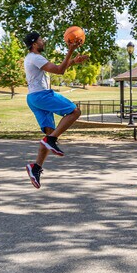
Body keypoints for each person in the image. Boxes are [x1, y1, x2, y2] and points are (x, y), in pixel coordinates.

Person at [23, 32, 88, 188]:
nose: (43, 41)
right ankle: (51, 140)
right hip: (41, 96)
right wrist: (70, 51)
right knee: (75, 112)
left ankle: (36, 167)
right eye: (40, 40)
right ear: (34, 44)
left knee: (49, 133)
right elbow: (59, 70)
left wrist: (72, 61)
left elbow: (58, 67)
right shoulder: (36, 57)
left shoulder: (31, 58)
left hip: (33, 98)